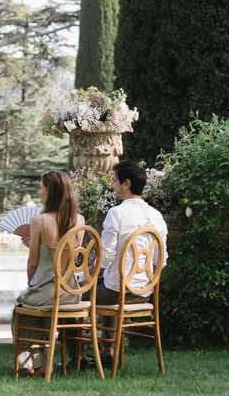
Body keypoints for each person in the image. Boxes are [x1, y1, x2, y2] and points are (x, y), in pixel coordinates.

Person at [12, 172, 86, 372]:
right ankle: (71, 358)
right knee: (44, 304)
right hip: (71, 293)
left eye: (42, 187)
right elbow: (69, 258)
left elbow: (33, 263)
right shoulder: (79, 220)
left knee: (22, 306)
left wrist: (31, 284)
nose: (40, 191)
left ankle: (34, 363)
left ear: (50, 192)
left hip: (49, 292)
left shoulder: (40, 221)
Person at [98, 159, 168, 317]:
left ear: (126, 183)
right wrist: (143, 284)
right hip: (143, 294)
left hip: (115, 293)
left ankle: (73, 342)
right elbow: (161, 261)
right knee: (107, 282)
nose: (112, 186)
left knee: (71, 296)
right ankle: (112, 342)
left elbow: (105, 258)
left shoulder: (116, 213)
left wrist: (90, 273)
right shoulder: (156, 216)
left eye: (115, 181)